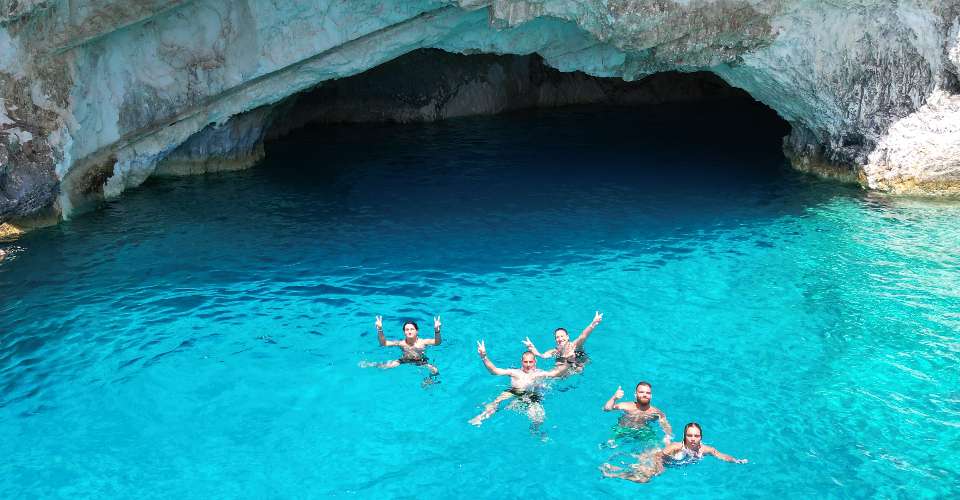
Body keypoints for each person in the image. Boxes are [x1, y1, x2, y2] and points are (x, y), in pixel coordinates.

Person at [601, 422, 747, 483]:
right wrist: (660, 467)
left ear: (701, 437)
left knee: (642, 474)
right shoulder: (677, 447)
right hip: (658, 458)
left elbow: (720, 454)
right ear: (684, 436)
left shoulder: (705, 449)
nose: (693, 439)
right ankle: (613, 473)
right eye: (690, 435)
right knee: (645, 478)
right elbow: (658, 456)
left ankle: (615, 471)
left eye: (696, 436)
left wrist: (736, 460)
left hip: (669, 462)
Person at [468, 340, 565, 427]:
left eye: (530, 362)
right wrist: (484, 357)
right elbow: (494, 371)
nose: (528, 365)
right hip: (514, 391)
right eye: (525, 362)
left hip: (532, 394)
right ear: (521, 361)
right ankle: (480, 418)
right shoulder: (514, 372)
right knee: (496, 402)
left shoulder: (539, 373)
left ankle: (535, 431)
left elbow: (556, 373)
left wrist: (568, 362)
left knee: (538, 418)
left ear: (535, 362)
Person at [523, 311, 602, 374]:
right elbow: (542, 356)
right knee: (556, 366)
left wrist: (593, 324)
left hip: (578, 365)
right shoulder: (555, 351)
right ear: (555, 340)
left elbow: (583, 336)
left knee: (578, 367)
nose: (560, 339)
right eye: (557, 337)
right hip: (566, 368)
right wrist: (532, 348)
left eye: (562, 336)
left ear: (567, 337)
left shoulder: (575, 345)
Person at [360, 315, 441, 375]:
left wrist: (437, 330)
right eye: (407, 329)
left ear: (417, 331)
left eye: (412, 329)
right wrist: (380, 329)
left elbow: (437, 342)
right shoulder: (401, 343)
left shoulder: (423, 342)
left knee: (435, 370)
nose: (409, 331)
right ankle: (370, 364)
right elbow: (383, 343)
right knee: (386, 366)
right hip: (404, 360)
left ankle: (428, 382)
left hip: (421, 361)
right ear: (404, 332)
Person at [603, 381, 673, 447]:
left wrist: (667, 437)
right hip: (622, 429)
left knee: (656, 446)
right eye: (641, 392)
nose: (645, 395)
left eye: (648, 393)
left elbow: (665, 424)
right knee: (609, 443)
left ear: (651, 396)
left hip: (642, 432)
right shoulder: (626, 406)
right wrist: (614, 398)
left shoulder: (656, 412)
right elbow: (606, 409)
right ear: (635, 394)